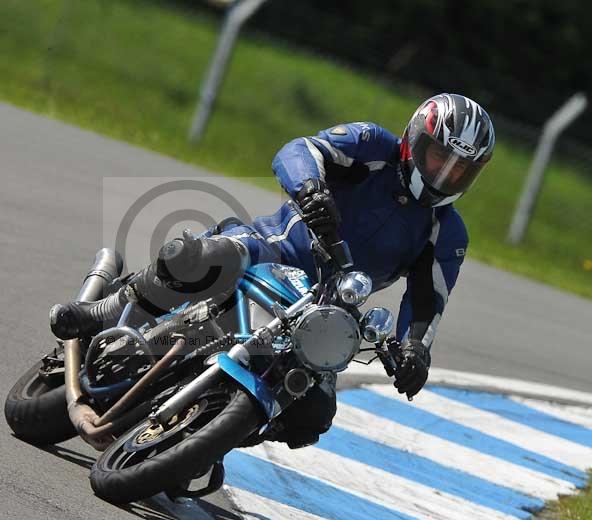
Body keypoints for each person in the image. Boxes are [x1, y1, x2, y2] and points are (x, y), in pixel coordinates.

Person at [50, 93, 495, 448]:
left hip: (323, 311)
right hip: (268, 251)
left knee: (313, 416)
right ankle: (104, 312)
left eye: (461, 171)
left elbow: (427, 301)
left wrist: (415, 350)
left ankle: (209, 434)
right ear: (415, 140)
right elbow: (300, 149)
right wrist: (311, 189)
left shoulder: (446, 232)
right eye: (440, 158)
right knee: (191, 256)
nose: (446, 174)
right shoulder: (371, 145)